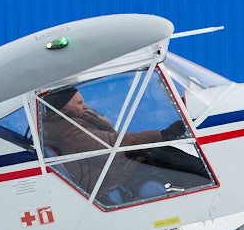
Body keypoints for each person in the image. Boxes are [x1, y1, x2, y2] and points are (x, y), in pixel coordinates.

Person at [41, 86, 207, 203]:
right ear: (62, 107)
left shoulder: (64, 126)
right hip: (109, 182)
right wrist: (163, 134)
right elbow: (109, 144)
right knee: (157, 156)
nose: (85, 106)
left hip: (111, 173)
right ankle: (209, 181)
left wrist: (161, 136)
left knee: (159, 151)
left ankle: (206, 178)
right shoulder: (66, 129)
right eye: (79, 103)